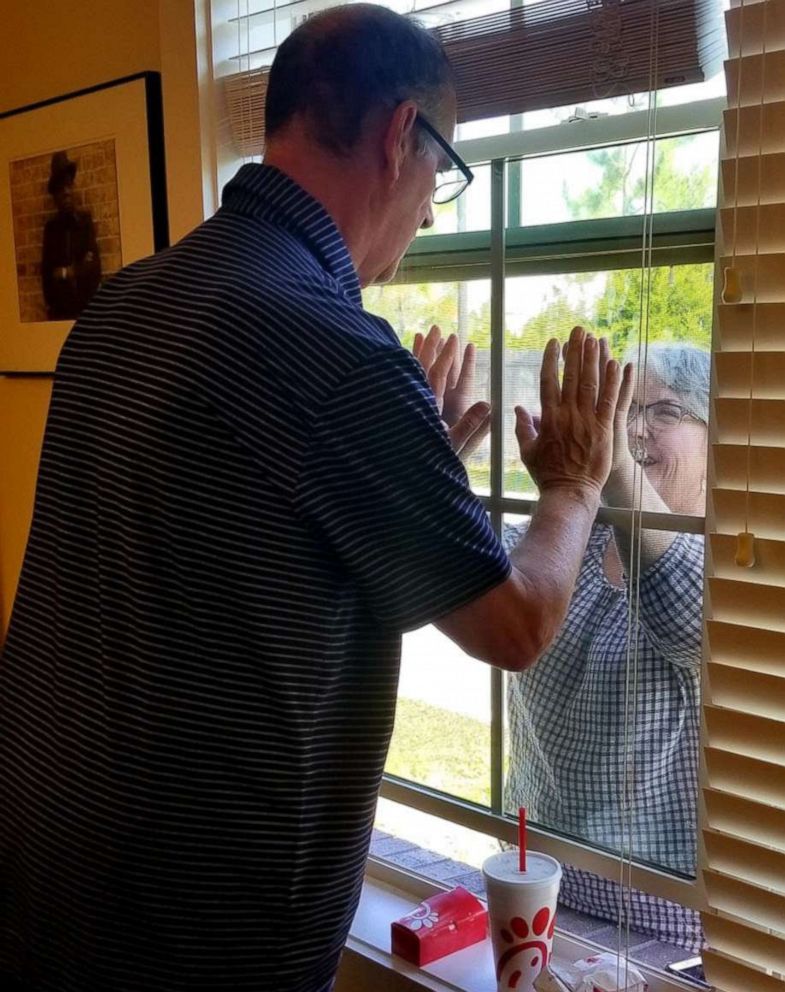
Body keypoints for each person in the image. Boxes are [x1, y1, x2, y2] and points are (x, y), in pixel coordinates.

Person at [0, 7, 623, 992]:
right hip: (192, 938)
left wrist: (397, 466)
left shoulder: (127, 300)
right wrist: (573, 483)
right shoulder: (331, 348)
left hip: (43, 881)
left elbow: (236, 560)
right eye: (442, 178)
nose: (426, 216)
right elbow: (516, 622)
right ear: (396, 135)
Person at [505, 342, 709, 951]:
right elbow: (477, 580)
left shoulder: (735, 563)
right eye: (626, 409)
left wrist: (613, 467)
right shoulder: (580, 542)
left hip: (659, 923)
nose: (636, 429)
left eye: (665, 412)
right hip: (533, 882)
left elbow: (690, 622)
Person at [40, 150, 102, 320]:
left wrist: (65, 272)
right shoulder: (51, 230)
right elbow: (47, 278)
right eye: (60, 188)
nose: (66, 192)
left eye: (69, 186)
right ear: (55, 196)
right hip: (60, 315)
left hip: (87, 313)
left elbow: (94, 268)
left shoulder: (84, 222)